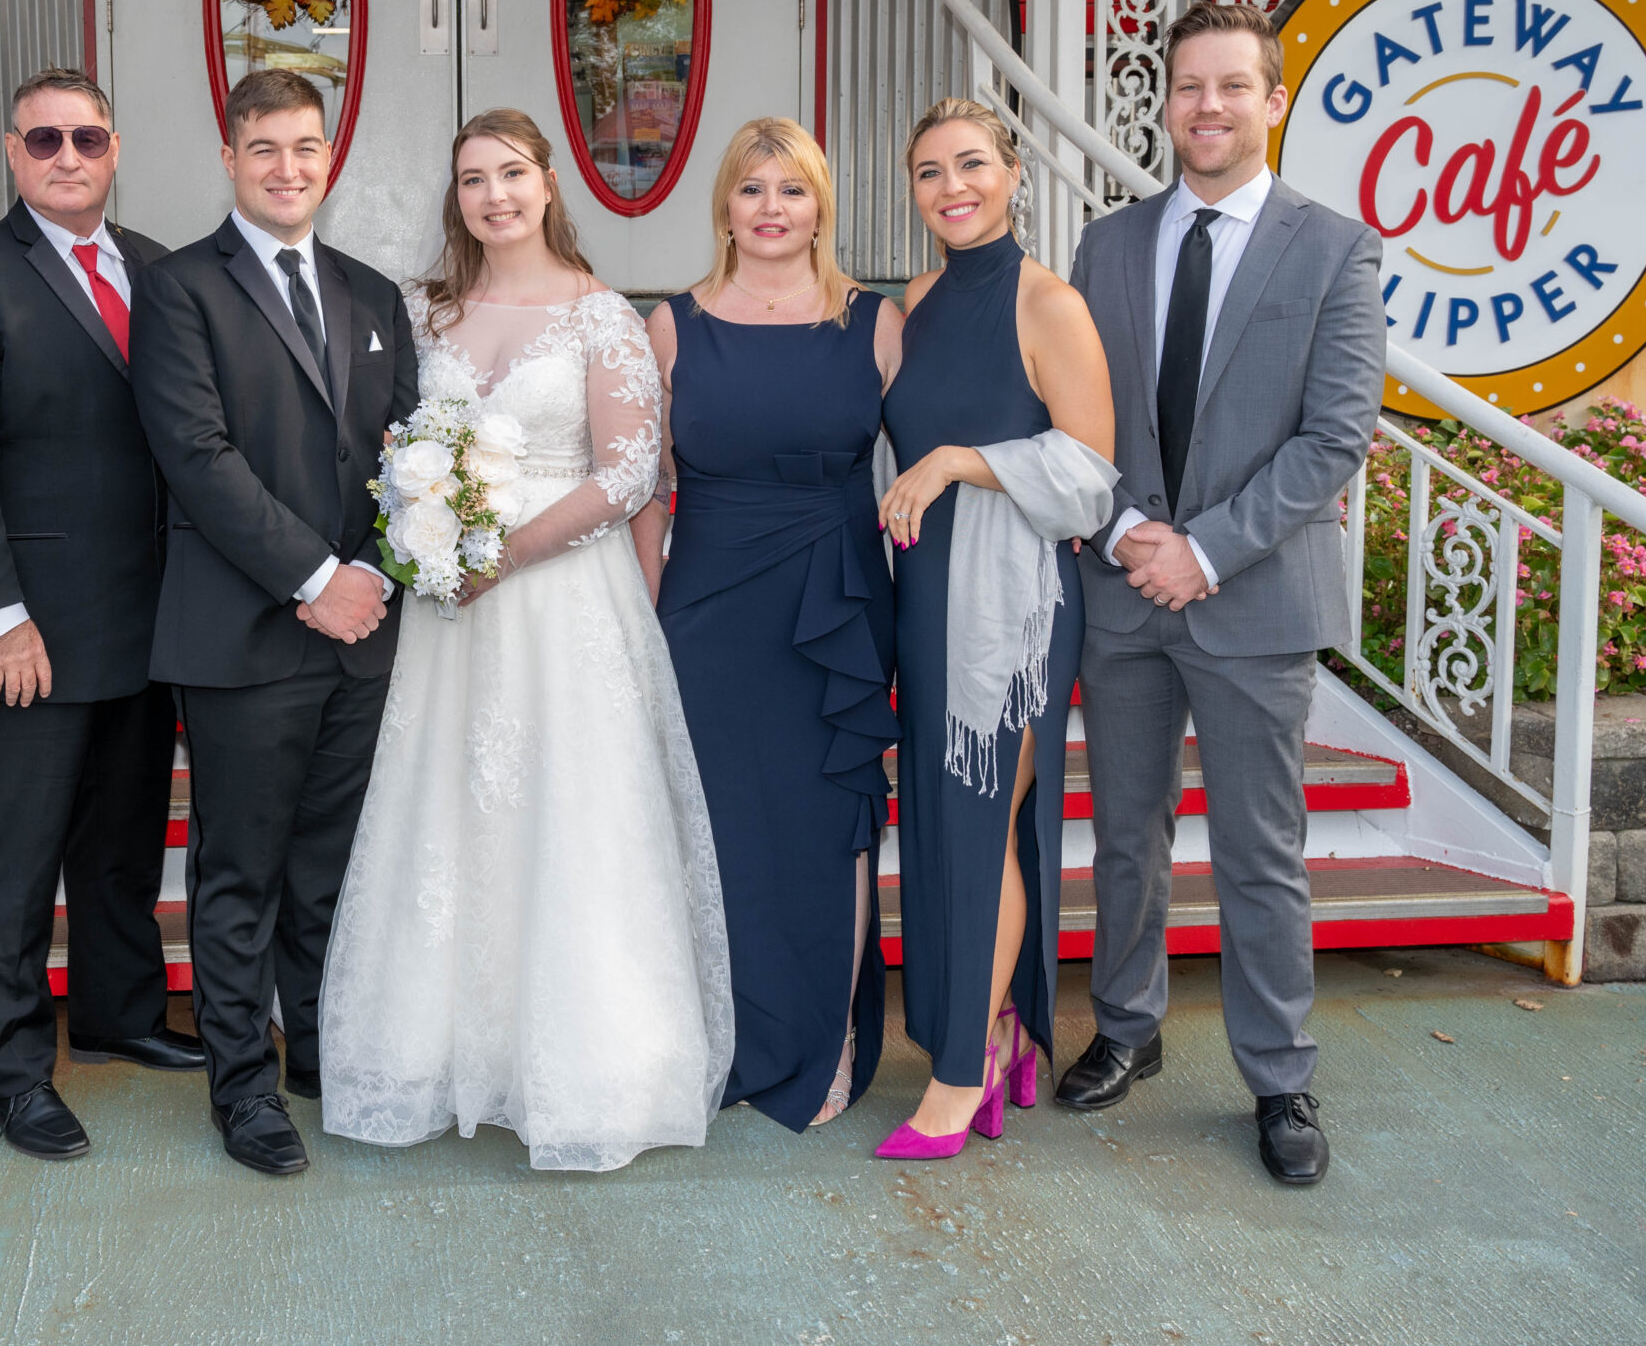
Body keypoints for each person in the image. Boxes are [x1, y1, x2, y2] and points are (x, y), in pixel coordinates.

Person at [320, 110, 730, 1172]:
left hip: (559, 598)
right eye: (471, 179)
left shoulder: (603, 316)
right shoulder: (423, 311)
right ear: (453, 197)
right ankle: (439, 1049)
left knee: (570, 813)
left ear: (549, 183)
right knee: (446, 812)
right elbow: (389, 439)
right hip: (446, 608)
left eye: (511, 173)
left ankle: (588, 1064)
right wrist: (427, 523)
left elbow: (628, 471)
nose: (494, 194)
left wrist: (504, 551)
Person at [1062, 1, 1384, 1187]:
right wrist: (1122, 524)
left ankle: (1280, 1073)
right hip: (1124, 586)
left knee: (1259, 848)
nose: (1207, 106)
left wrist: (1201, 547)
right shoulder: (1107, 244)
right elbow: (1074, 415)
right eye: (1188, 86)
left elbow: (1333, 436)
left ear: (1273, 99)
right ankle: (1127, 1028)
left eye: (1231, 86)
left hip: (1250, 598)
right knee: (1125, 835)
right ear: (1165, 104)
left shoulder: (1335, 247)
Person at [128, 68, 416, 1177]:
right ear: (229, 157)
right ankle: (241, 1084)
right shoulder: (179, 289)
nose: (288, 167)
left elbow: (406, 451)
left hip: (363, 634)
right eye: (265, 148)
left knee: (331, 865)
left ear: (328, 157)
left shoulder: (370, 291)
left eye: (305, 147)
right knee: (239, 870)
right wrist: (312, 574)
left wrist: (382, 572)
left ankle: (321, 1054)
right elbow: (196, 456)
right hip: (246, 632)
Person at [0, 68, 199, 1164]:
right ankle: (16, 1066)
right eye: (44, 139)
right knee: (16, 859)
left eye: (85, 136)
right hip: (27, 627)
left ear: (114, 146)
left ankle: (122, 1012)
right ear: (11, 150)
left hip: (148, 618)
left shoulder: (164, 269)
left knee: (122, 841)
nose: (66, 155)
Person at [873, 100, 1116, 1160]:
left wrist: (959, 460)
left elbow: (1091, 477)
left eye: (971, 164)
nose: (950, 186)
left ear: (1014, 172)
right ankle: (1007, 1026)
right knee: (943, 822)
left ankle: (957, 1076)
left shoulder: (1047, 301)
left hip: (1008, 613)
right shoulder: (918, 296)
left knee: (976, 824)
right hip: (923, 595)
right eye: (928, 171)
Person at [649, 118, 903, 1133]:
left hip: (833, 603)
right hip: (706, 603)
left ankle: (824, 1038)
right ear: (723, 206)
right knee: (714, 831)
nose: (769, 208)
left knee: (826, 826)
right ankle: (721, 1037)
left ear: (819, 207)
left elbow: (939, 451)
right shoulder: (670, 325)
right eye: (751, 189)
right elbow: (643, 488)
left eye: (790, 190)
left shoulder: (874, 324)